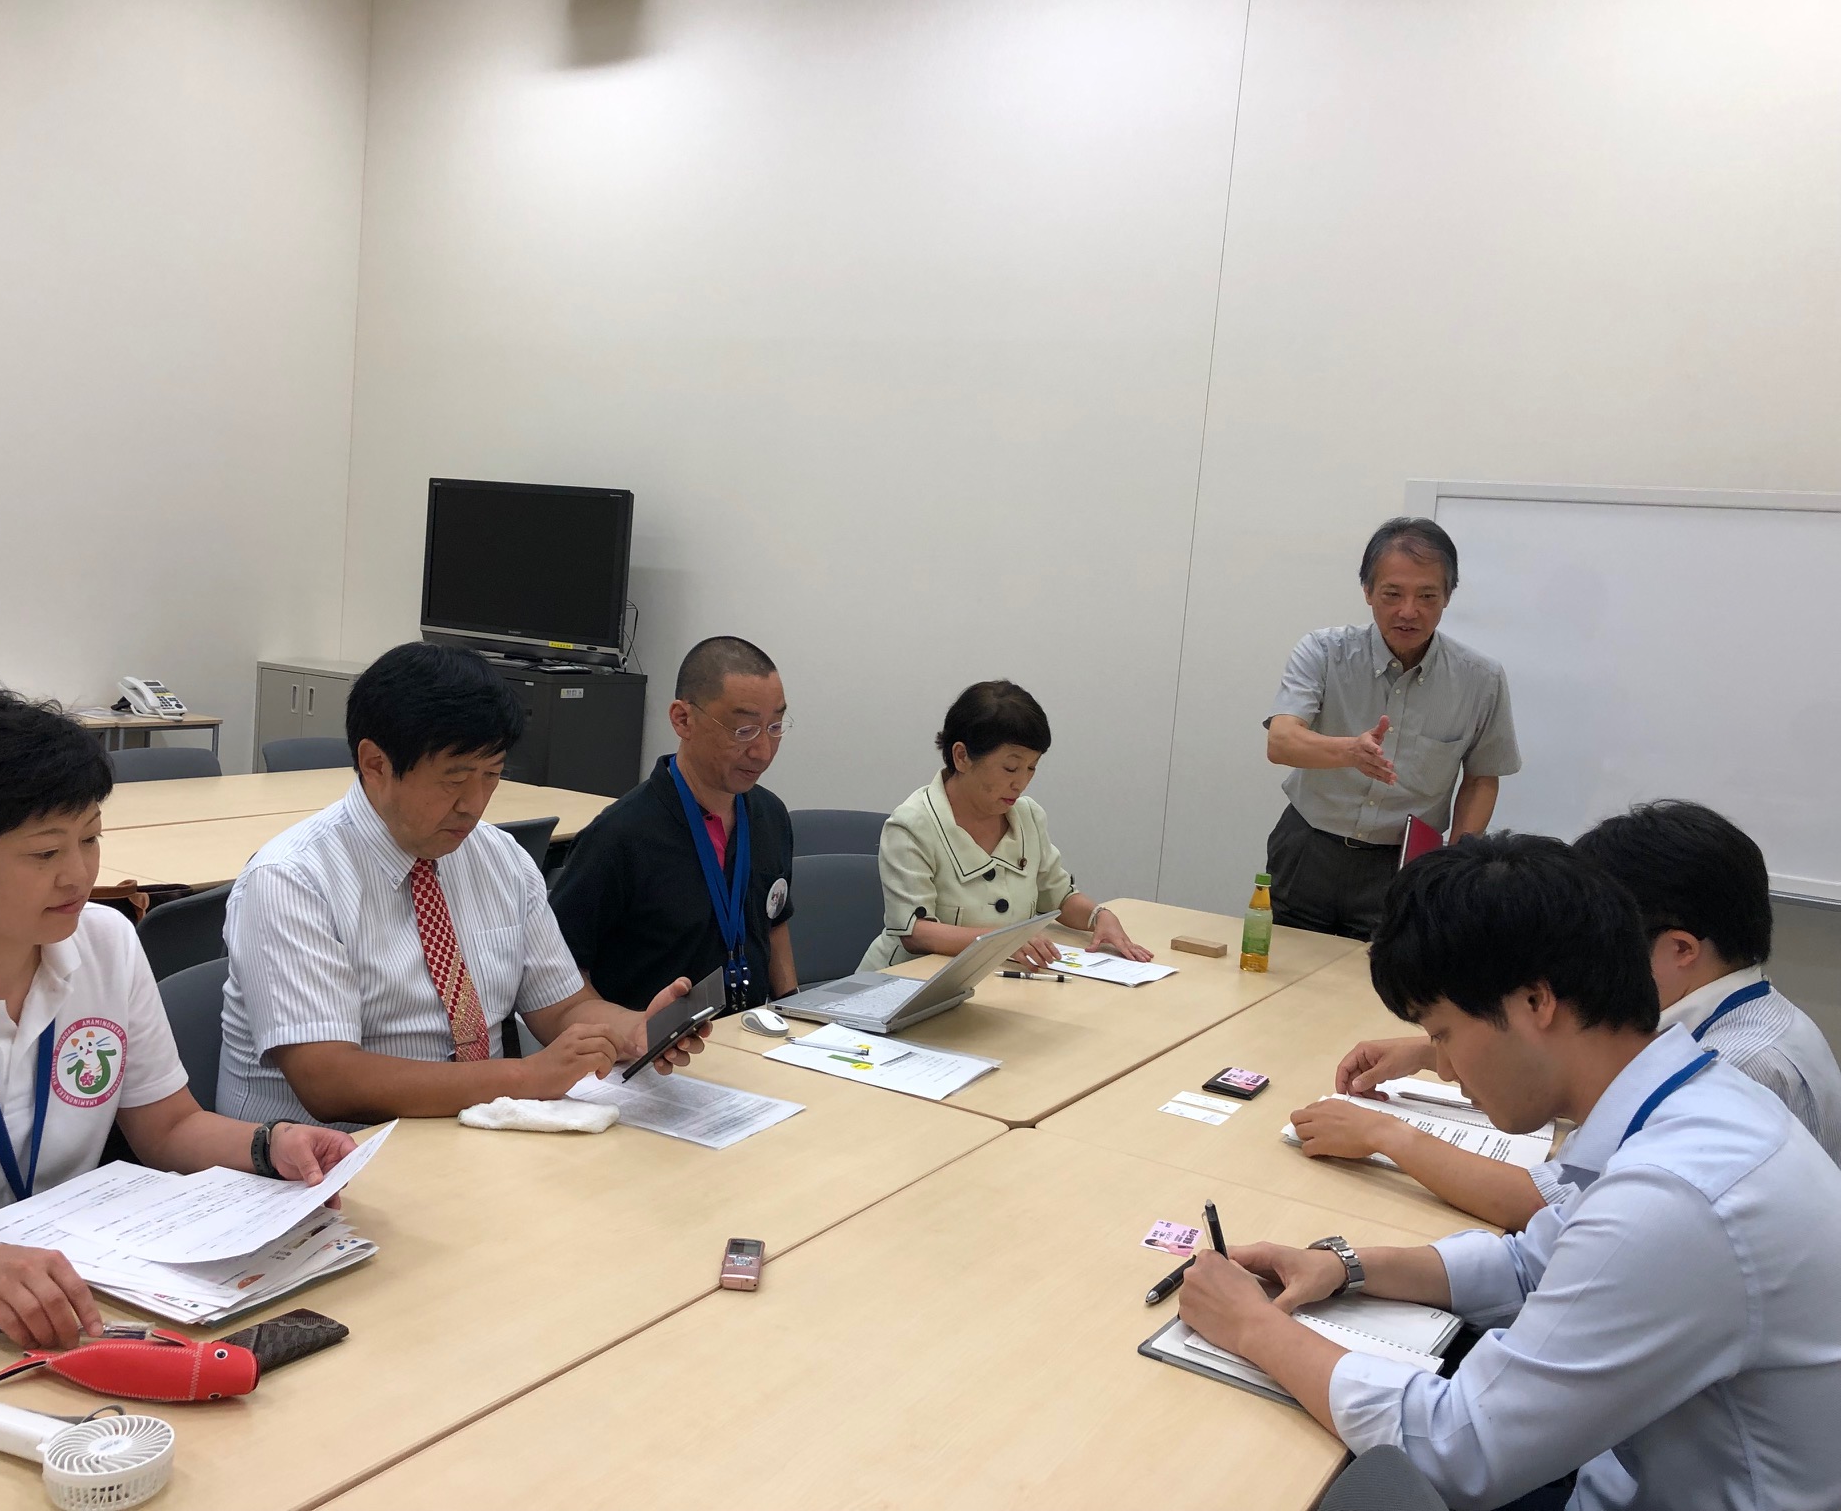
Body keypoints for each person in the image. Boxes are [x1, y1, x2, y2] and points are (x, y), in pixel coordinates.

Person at [1177, 834, 1841, 1510]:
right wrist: (1345, 1266)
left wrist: (1254, 1327)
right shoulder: (1687, 1101)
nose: (1445, 1068)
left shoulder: (1677, 1194)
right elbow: (1531, 1264)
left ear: (1535, 1002)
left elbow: (1461, 1451)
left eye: (1442, 1033)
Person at [0, 692, 354, 1350]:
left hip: (70, 1301)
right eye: (45, 853)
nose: (79, 875)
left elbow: (169, 1127)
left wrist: (269, 1145)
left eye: (91, 838)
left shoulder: (104, 941)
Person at [219, 643, 705, 1129]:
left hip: (473, 1136)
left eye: (491, 775)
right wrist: (523, 1077)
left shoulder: (499, 858)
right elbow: (330, 1082)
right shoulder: (291, 879)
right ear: (375, 764)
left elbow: (563, 1007)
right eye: (454, 780)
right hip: (329, 1158)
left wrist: (634, 1030)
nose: (474, 804)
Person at [1304, 800, 1841, 1229]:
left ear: (1680, 948)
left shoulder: (1744, 1066)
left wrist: (1388, 1136)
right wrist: (1437, 1048)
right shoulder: (1738, 1017)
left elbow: (1555, 1205)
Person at [1263, 517, 1519, 939]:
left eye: (1427, 596)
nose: (1408, 611)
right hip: (1309, 848)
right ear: (1367, 591)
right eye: (1392, 594)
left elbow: (1481, 777)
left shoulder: (1481, 679)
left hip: (1403, 864)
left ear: (1448, 596)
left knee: (1385, 975)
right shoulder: (1323, 652)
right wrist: (1350, 752)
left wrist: (1458, 863)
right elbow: (1281, 741)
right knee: (1284, 966)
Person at [551, 636, 797, 1015]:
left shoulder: (770, 815)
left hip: (747, 1037)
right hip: (649, 1044)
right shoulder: (620, 836)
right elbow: (558, 967)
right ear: (683, 719)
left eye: (775, 727)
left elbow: (774, 923)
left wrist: (793, 1012)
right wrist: (628, 1032)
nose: (763, 751)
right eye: (744, 730)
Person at [860, 680, 1149, 970]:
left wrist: (1099, 917)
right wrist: (1003, 941)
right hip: (903, 981)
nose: (1020, 782)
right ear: (962, 756)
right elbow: (915, 932)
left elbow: (1059, 896)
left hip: (990, 978)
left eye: (1031, 767)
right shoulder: (912, 826)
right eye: (1010, 768)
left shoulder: (1028, 816)